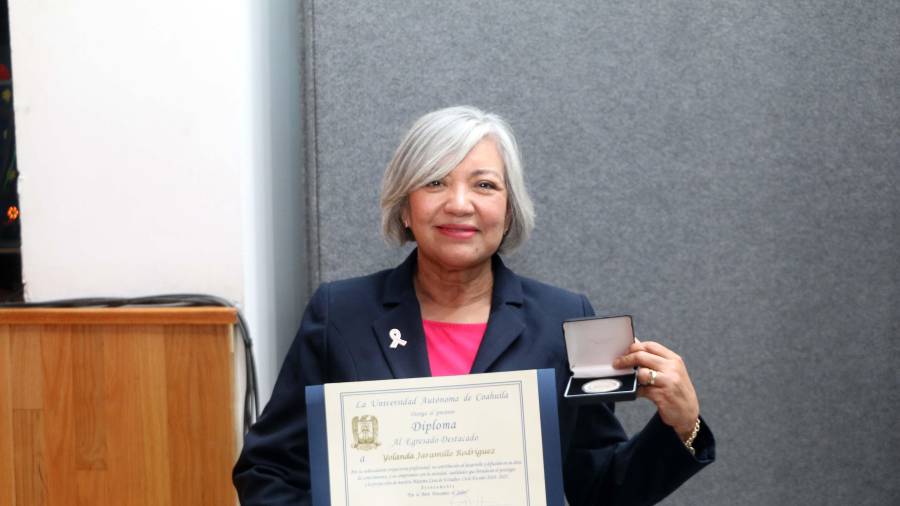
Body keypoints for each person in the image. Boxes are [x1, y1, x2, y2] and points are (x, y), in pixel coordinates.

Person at [233, 106, 715, 505]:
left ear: (508, 211)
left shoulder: (561, 320)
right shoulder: (340, 314)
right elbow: (269, 469)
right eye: (435, 182)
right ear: (405, 207)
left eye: (484, 185)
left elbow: (599, 489)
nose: (460, 203)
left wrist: (682, 426)